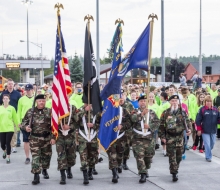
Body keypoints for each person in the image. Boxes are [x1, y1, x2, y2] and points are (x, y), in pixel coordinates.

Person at [21, 94, 55, 185]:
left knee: (46, 156)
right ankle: (36, 175)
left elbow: (54, 126)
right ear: (36, 102)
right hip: (35, 138)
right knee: (36, 157)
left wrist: (53, 137)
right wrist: (26, 128)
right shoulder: (30, 112)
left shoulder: (49, 111)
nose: (42, 103)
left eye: (43, 101)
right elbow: (23, 123)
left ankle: (44, 169)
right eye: (40, 101)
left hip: (47, 138)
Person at [159, 95, 192, 182]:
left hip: (180, 137)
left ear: (178, 102)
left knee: (179, 156)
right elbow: (161, 126)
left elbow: (188, 122)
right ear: (170, 102)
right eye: (172, 101)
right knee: (172, 156)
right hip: (170, 137)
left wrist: (189, 130)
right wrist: (162, 137)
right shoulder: (165, 113)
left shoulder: (183, 112)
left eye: (176, 101)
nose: (174, 102)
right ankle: (174, 173)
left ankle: (175, 168)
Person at [130, 95, 160, 183]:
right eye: (141, 101)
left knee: (148, 158)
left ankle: (145, 169)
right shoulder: (134, 112)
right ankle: (142, 174)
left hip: (149, 138)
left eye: (144, 101)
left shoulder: (152, 112)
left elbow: (157, 123)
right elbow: (132, 119)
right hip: (137, 139)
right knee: (139, 157)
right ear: (138, 103)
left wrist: (150, 126)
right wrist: (141, 114)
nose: (143, 102)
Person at [106, 93, 133, 183]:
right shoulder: (108, 111)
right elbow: (102, 122)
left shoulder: (124, 111)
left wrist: (122, 126)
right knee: (112, 155)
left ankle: (119, 164)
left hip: (121, 137)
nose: (119, 101)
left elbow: (129, 123)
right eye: (117, 99)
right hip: (111, 137)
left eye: (121, 99)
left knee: (119, 154)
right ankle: (114, 173)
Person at [73, 103, 101, 185]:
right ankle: (85, 175)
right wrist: (85, 110)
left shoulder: (97, 111)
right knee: (83, 155)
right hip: (83, 137)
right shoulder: (80, 110)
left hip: (93, 137)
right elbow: (75, 119)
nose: (88, 104)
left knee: (92, 156)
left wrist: (94, 125)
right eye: (86, 102)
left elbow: (102, 124)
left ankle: (90, 170)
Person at [56, 104, 77, 185]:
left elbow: (77, 122)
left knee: (70, 155)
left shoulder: (73, 108)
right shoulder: (56, 108)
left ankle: (69, 168)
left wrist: (70, 126)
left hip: (70, 136)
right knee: (61, 155)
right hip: (60, 136)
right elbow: (52, 122)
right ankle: (62, 176)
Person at [196, 95, 220, 162]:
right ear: (205, 102)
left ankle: (206, 149)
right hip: (205, 130)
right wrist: (199, 129)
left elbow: (218, 119)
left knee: (212, 144)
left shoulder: (215, 109)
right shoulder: (202, 109)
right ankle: (208, 157)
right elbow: (198, 120)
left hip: (213, 130)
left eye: (210, 101)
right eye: (207, 101)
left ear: (212, 102)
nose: (209, 103)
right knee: (207, 144)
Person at [0, 78, 21, 153]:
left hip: (14, 115)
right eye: (9, 84)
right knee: (5, 132)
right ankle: (6, 145)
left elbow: (20, 104)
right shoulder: (3, 93)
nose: (10, 85)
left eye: (12, 84)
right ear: (7, 85)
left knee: (14, 132)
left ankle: (13, 146)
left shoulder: (17, 94)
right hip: (5, 116)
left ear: (14, 85)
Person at [17, 84, 35, 164]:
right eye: (26, 90)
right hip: (25, 122)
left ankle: (35, 156)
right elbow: (19, 111)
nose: (28, 91)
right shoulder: (21, 99)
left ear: (32, 90)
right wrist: (18, 122)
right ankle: (27, 157)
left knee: (34, 140)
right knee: (26, 140)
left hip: (35, 121)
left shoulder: (36, 98)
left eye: (29, 89)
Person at [0, 94, 19, 163]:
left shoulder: (12, 108)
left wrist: (18, 127)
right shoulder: (0, 108)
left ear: (9, 100)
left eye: (7, 98)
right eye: (4, 98)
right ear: (2, 100)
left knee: (8, 143)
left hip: (10, 128)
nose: (5, 100)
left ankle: (8, 157)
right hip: (1, 128)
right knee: (2, 144)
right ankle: (4, 151)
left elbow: (15, 118)